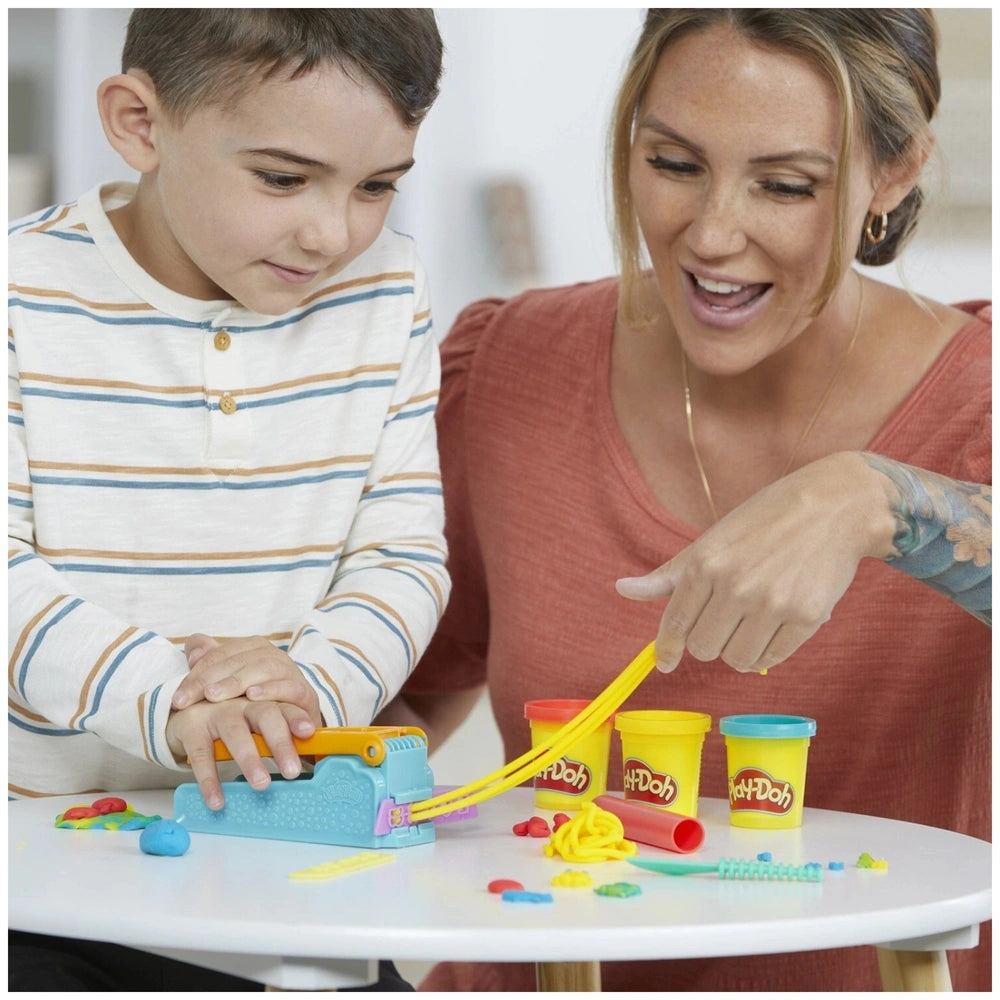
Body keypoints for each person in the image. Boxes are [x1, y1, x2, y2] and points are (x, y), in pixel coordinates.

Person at [383, 9, 991, 992]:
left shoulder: (979, 402)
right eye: (672, 164)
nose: (710, 235)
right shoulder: (509, 367)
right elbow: (408, 690)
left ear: (895, 173)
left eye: (785, 185)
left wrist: (878, 499)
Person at [8, 9, 447, 991]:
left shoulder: (389, 290)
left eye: (377, 185)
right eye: (283, 178)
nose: (332, 232)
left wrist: (310, 694)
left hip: (280, 854)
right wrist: (169, 699)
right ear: (138, 122)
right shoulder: (18, 290)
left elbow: (401, 552)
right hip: (36, 873)